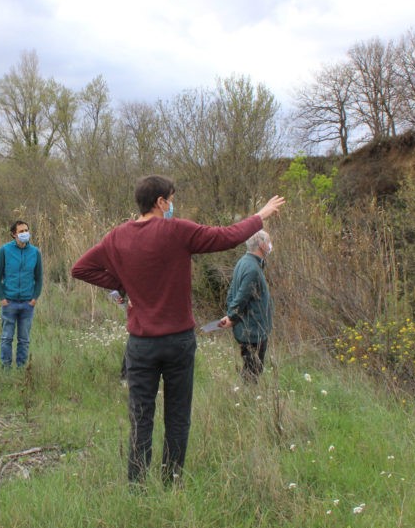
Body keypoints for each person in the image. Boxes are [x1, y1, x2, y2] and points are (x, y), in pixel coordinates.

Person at [71, 175, 285, 485]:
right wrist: (260, 216)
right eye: (170, 199)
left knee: (141, 419)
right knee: (177, 417)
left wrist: (122, 284)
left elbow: (81, 268)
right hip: (178, 342)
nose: (172, 205)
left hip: (141, 344)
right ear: (160, 202)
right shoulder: (178, 231)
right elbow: (226, 237)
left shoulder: (116, 237)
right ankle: (172, 482)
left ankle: (137, 487)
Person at [220, 230, 274, 383]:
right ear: (262, 245)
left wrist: (231, 315)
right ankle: (247, 400)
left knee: (251, 368)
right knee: (253, 371)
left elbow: (231, 292)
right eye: (269, 242)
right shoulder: (252, 269)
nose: (270, 245)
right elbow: (240, 297)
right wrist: (232, 317)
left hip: (249, 328)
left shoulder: (244, 261)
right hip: (252, 331)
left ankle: (246, 397)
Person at [0, 220, 43, 368]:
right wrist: (2, 298)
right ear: (14, 234)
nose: (24, 233)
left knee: (24, 339)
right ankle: (6, 368)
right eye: (21, 231)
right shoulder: (4, 250)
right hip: (9, 301)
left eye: (26, 230)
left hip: (28, 303)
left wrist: (34, 298)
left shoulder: (35, 252)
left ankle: (21, 369)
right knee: (6, 338)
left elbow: (39, 278)